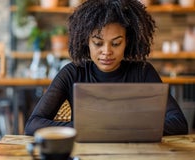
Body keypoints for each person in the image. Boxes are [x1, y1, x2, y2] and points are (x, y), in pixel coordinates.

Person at [25, 0, 188, 136]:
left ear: (127, 42)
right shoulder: (72, 73)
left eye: (116, 43)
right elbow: (33, 124)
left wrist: (121, 129)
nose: (107, 51)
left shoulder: (143, 72)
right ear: (86, 41)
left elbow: (179, 123)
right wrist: (87, 128)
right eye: (98, 43)